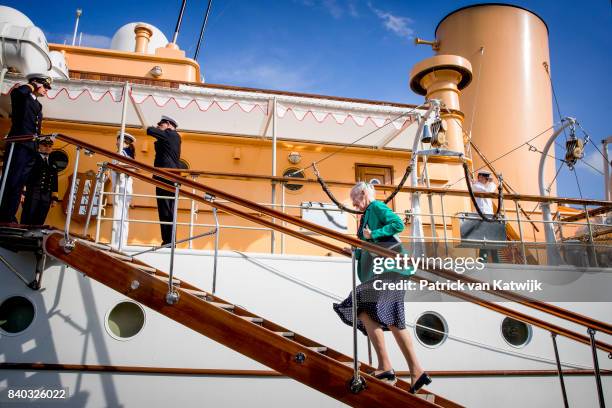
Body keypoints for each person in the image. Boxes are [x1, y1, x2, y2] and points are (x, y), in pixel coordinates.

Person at [333, 182, 431, 393]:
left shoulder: (376, 207)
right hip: (385, 270)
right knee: (377, 314)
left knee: (366, 306)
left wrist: (373, 234)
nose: (354, 204)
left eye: (355, 199)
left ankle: (393, 367)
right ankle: (411, 371)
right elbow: (371, 246)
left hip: (392, 269)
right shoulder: (367, 213)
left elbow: (397, 225)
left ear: (363, 193)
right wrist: (355, 252)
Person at [0, 73, 52, 223]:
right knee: (12, 180)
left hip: (31, 147)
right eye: (45, 86)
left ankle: (9, 215)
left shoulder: (38, 104)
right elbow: (18, 92)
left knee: (20, 183)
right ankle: (4, 214)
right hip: (20, 144)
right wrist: (31, 85)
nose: (47, 90)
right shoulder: (22, 96)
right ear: (35, 83)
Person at [146, 115, 181, 245]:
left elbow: (150, 130)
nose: (158, 126)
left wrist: (153, 128)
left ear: (168, 124)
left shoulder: (171, 134)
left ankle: (169, 241)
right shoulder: (170, 136)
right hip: (166, 177)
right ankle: (168, 240)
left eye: (160, 124)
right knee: (165, 210)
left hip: (166, 177)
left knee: (166, 210)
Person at [20, 135, 58, 225]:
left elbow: (54, 181)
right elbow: (25, 175)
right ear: (39, 146)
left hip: (46, 196)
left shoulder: (53, 162)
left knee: (40, 219)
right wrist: (23, 193)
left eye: (50, 146)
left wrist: (54, 198)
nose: (47, 148)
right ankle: (23, 237)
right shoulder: (33, 158)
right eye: (45, 145)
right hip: (32, 193)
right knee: (27, 218)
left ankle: (35, 238)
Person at [110, 132, 136, 248]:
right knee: (123, 215)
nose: (116, 142)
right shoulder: (128, 154)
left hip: (121, 186)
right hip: (125, 186)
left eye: (118, 140)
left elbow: (120, 169)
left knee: (119, 214)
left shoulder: (122, 154)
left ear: (123, 142)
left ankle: (118, 242)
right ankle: (121, 241)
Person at [471, 171, 500, 263]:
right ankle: (483, 261)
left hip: (489, 216)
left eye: (488, 178)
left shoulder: (485, 186)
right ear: (480, 177)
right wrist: (491, 182)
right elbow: (488, 191)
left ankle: (496, 262)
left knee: (492, 240)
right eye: (486, 177)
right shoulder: (476, 186)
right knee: (485, 240)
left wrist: (491, 183)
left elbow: (491, 189)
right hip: (482, 216)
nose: (487, 179)